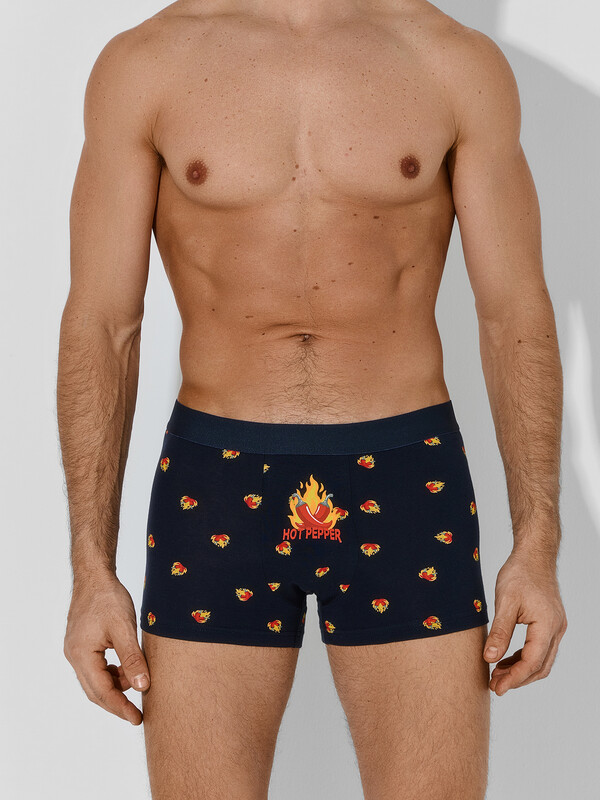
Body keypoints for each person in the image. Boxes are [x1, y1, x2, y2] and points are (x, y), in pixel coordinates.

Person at [57, 1, 568, 797]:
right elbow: (103, 324)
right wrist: (91, 568)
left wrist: (538, 543)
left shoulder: (451, 62)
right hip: (216, 481)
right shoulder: (147, 64)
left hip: (406, 478)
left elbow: (514, 315)